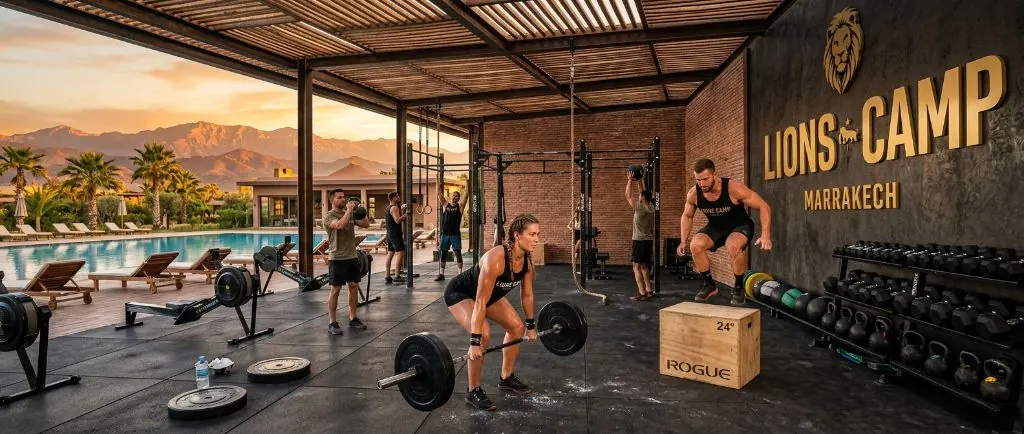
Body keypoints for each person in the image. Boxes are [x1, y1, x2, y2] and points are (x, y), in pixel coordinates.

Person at [444, 213, 540, 411]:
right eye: (531, 234)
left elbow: (527, 296)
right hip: (461, 294)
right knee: (484, 334)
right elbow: (480, 302)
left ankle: (506, 378)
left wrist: (530, 326)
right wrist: (474, 342)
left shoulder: (527, 263)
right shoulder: (496, 258)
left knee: (516, 326)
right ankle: (473, 390)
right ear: (516, 235)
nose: (536, 239)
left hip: (487, 297)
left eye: (537, 234)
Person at [677, 159, 772, 305]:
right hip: (716, 227)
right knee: (695, 245)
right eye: (698, 180)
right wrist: (683, 240)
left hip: (740, 226)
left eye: (705, 179)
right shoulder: (694, 194)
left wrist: (765, 234)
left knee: (733, 245)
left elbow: (763, 206)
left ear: (714, 174)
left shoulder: (733, 188)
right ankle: (709, 285)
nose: (702, 184)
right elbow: (687, 215)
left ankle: (739, 287)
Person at [324, 189, 370, 335]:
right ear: (333, 200)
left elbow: (366, 224)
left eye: (344, 197)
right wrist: (349, 210)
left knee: (354, 286)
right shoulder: (329, 216)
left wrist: (360, 210)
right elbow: (339, 225)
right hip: (337, 257)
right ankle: (332, 322)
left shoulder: (350, 213)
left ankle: (353, 317)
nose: (343, 200)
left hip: (352, 256)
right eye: (339, 197)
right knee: (335, 290)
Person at [625, 173, 656, 301]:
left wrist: (630, 180)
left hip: (639, 241)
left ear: (642, 199)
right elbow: (643, 193)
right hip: (648, 241)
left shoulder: (639, 208)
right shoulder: (651, 207)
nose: (638, 197)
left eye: (640, 196)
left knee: (636, 266)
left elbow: (628, 195)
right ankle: (649, 291)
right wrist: (641, 181)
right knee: (644, 266)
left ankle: (642, 293)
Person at [435, 185, 469, 281]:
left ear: (458, 198)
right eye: (453, 195)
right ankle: (441, 274)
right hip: (445, 234)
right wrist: (438, 183)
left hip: (455, 235)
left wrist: (468, 185)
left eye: (456, 196)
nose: (454, 197)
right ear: (451, 197)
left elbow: (466, 196)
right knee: (443, 254)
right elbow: (440, 196)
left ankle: (460, 274)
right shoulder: (446, 205)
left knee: (458, 253)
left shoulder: (460, 207)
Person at [383, 192, 408, 284]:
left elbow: (392, 220)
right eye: (397, 196)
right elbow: (397, 220)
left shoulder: (387, 208)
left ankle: (387, 276)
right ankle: (397, 276)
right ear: (393, 198)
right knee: (401, 253)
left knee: (390, 254)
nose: (399, 197)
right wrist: (404, 216)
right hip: (395, 234)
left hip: (389, 234)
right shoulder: (394, 208)